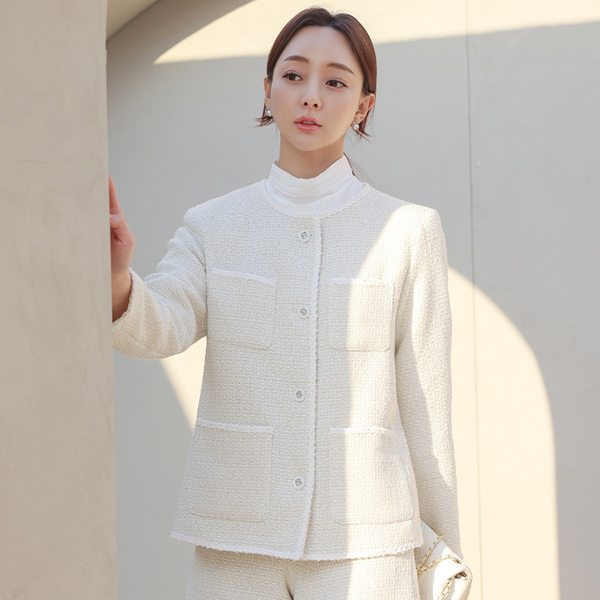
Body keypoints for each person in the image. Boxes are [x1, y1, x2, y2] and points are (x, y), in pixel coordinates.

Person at [109, 7, 462, 600]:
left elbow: (426, 408)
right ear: (268, 90)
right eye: (294, 75)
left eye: (336, 81)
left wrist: (443, 553)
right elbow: (160, 325)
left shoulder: (409, 231)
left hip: (367, 541)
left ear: (364, 105)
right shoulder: (213, 225)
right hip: (234, 536)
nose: (311, 96)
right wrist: (117, 276)